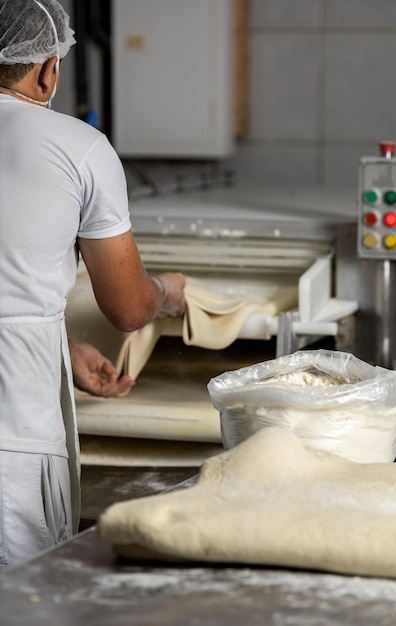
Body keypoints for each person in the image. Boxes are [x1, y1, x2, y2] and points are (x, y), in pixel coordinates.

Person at [0, 0, 186, 566]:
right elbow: (127, 308)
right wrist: (167, 295)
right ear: (48, 68)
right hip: (12, 432)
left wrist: (60, 348)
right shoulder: (77, 146)